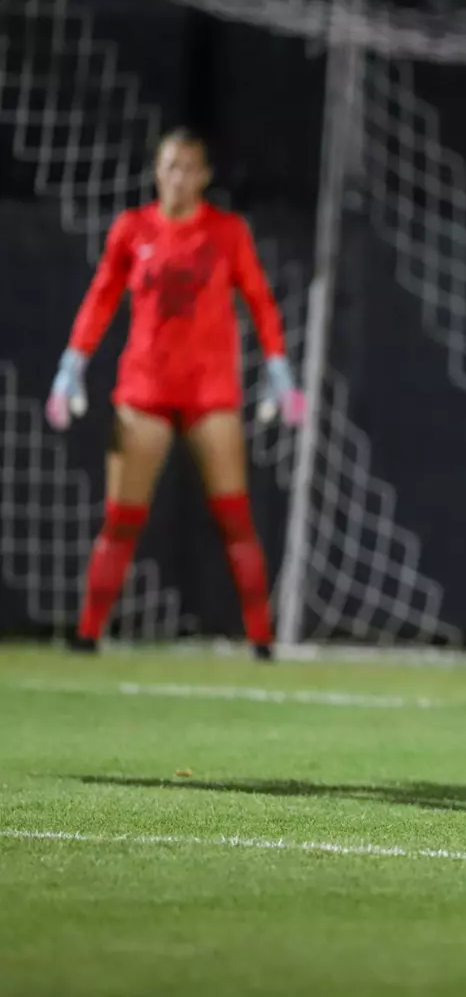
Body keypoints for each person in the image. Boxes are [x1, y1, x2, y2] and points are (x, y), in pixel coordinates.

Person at [45, 127, 305, 661]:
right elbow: (101, 298)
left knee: (234, 517)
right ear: (156, 170)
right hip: (143, 393)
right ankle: (87, 633)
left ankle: (262, 639)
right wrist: (72, 363)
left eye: (189, 167)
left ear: (205, 176)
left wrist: (278, 368)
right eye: (170, 166)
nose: (178, 177)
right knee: (120, 520)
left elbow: (258, 298)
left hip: (211, 395)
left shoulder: (226, 232)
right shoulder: (132, 229)